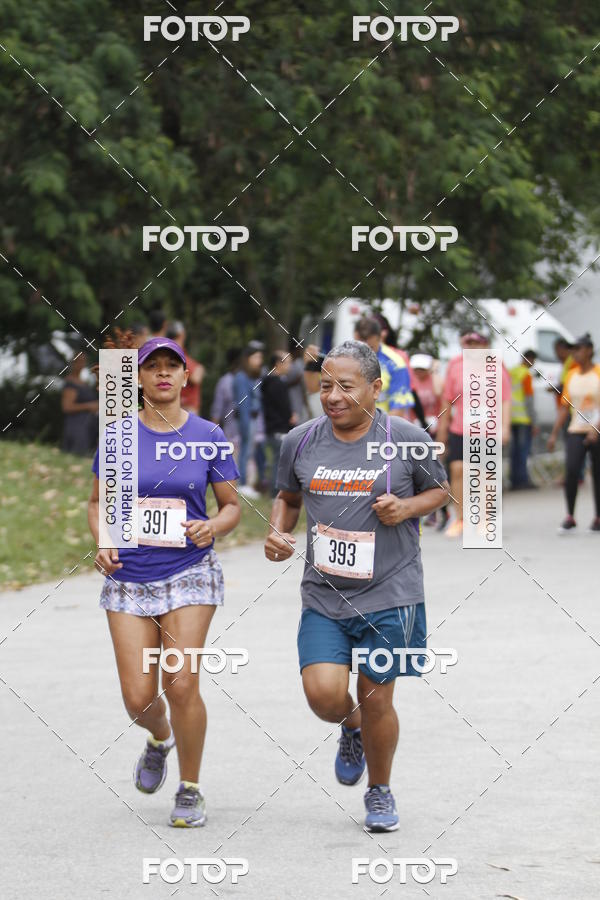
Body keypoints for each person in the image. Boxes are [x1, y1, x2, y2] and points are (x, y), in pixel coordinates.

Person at [264, 340, 449, 832]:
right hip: (325, 595)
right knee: (323, 695)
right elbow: (287, 497)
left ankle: (380, 790)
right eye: (325, 385)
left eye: (345, 386)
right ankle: (351, 727)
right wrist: (278, 531)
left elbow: (440, 490)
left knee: (378, 697)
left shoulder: (406, 437)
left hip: (391, 592)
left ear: (375, 387)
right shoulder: (300, 440)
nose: (332, 396)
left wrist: (406, 508)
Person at [88, 337, 240, 827]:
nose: (162, 373)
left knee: (180, 683)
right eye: (151, 366)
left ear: (185, 376)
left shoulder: (208, 434)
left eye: (171, 366)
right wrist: (103, 539)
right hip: (129, 575)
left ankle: (190, 788)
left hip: (190, 571)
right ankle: (160, 738)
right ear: (138, 379)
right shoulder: (117, 437)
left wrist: (212, 527)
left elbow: (231, 507)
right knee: (138, 699)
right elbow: (97, 503)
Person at [436, 331, 511, 538]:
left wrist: (505, 427)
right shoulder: (455, 366)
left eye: (476, 344)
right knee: (457, 469)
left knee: (486, 474)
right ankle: (460, 519)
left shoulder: (496, 366)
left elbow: (505, 399)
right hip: (461, 428)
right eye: (467, 343)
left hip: (488, 430)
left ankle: (487, 519)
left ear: (485, 345)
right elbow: (447, 400)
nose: (471, 347)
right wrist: (442, 431)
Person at [547, 333, 600, 533]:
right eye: (573, 349)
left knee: (597, 473)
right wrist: (554, 434)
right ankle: (570, 516)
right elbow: (564, 406)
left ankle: (598, 517)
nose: (575, 353)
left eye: (578, 349)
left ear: (589, 351)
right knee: (571, 470)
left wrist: (596, 427)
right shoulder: (571, 375)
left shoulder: (598, 372)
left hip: (597, 430)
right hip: (576, 429)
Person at [353, 318, 414, 418]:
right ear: (355, 337)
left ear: (380, 338)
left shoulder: (396, 363)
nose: (365, 352)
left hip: (381, 423)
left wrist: (381, 427)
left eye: (370, 347)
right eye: (360, 347)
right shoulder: (344, 358)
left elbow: (398, 408)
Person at [261, 351, 298, 495]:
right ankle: (275, 492)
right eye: (288, 362)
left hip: (272, 428)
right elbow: (283, 407)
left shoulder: (267, 382)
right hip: (279, 429)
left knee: (278, 460)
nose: (290, 366)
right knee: (280, 461)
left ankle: (276, 491)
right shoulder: (277, 384)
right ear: (278, 364)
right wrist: (291, 417)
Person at [234, 341, 266, 498]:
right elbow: (243, 403)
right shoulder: (241, 377)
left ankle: (245, 483)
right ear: (248, 359)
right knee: (245, 452)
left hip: (253, 418)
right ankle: (242, 484)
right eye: (256, 357)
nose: (259, 361)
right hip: (247, 419)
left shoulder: (253, 376)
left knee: (249, 452)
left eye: (260, 357)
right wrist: (245, 424)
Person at [509, 350, 538, 490]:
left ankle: (514, 480)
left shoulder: (511, 372)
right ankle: (522, 480)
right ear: (530, 359)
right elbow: (529, 400)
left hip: (511, 417)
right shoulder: (526, 375)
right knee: (523, 451)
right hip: (523, 418)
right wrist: (534, 421)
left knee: (514, 451)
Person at [61, 351, 99, 456]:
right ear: (73, 363)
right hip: (77, 426)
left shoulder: (83, 382)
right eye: (79, 361)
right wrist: (89, 406)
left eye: (83, 361)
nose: (81, 364)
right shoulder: (71, 383)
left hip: (89, 424)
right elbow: (67, 407)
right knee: (78, 455)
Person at [166, 321, 205, 414]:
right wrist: (199, 368)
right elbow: (196, 378)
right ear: (182, 335)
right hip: (184, 409)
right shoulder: (176, 353)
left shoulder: (163, 353)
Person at [211, 346, 242, 454]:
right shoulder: (225, 382)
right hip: (231, 441)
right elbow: (216, 413)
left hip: (251, 441)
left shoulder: (252, 381)